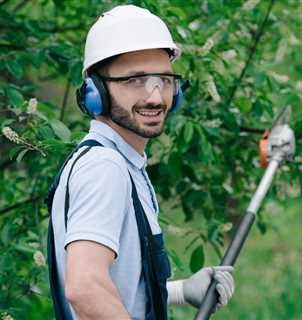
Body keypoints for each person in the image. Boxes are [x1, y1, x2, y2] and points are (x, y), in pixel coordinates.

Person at [46, 5, 234, 320]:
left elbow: (117, 285)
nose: (155, 97)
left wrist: (179, 290)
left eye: (163, 79)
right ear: (96, 92)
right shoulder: (105, 168)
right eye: (135, 80)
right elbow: (85, 287)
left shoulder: (119, 162)